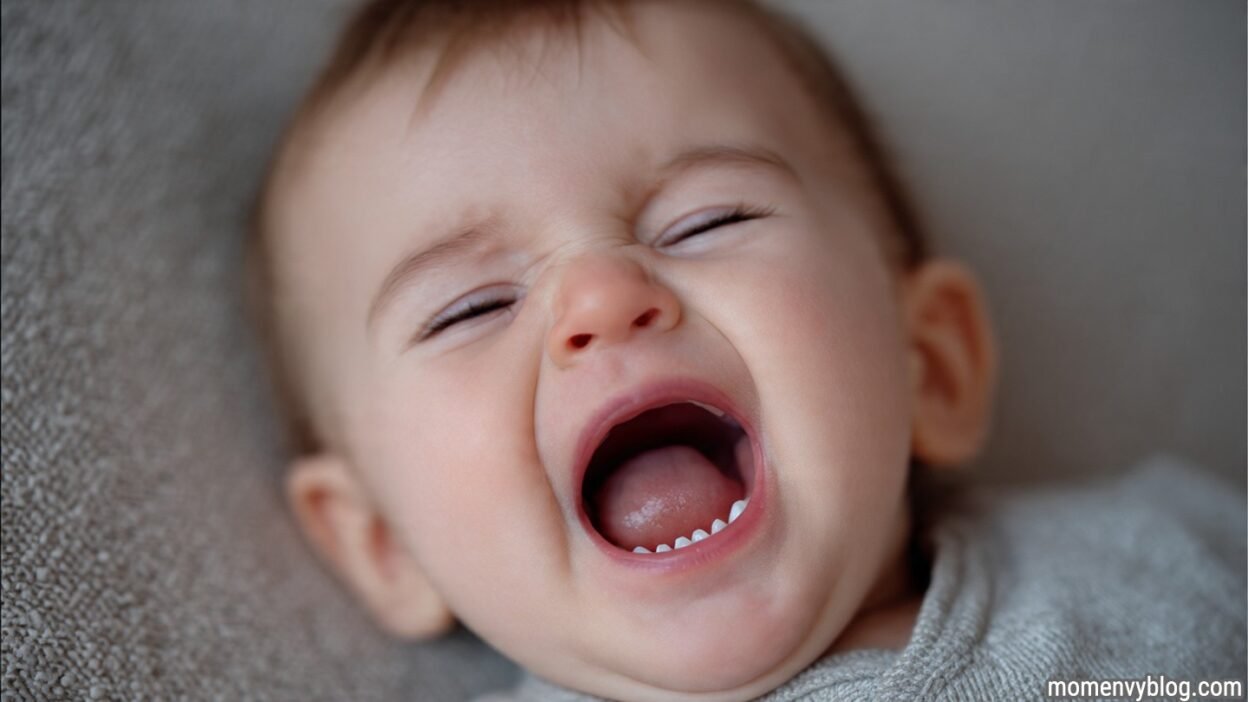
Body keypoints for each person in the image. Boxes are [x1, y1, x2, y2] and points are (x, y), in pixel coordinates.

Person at [245, 1, 1246, 699]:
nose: (599, 298)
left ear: (929, 365)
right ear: (384, 545)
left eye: (705, 221)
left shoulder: (1165, 551)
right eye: (469, 308)